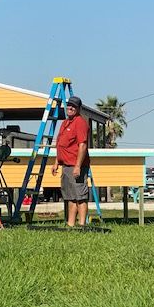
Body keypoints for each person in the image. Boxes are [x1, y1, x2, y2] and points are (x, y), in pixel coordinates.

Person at [51, 96, 90, 226]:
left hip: (76, 166)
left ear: (78, 109)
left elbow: (82, 145)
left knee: (80, 197)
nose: (70, 108)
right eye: (69, 105)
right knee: (70, 197)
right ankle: (71, 224)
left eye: (73, 106)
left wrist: (78, 166)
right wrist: (56, 162)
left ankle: (82, 225)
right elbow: (61, 145)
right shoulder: (65, 123)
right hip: (65, 166)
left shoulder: (80, 122)